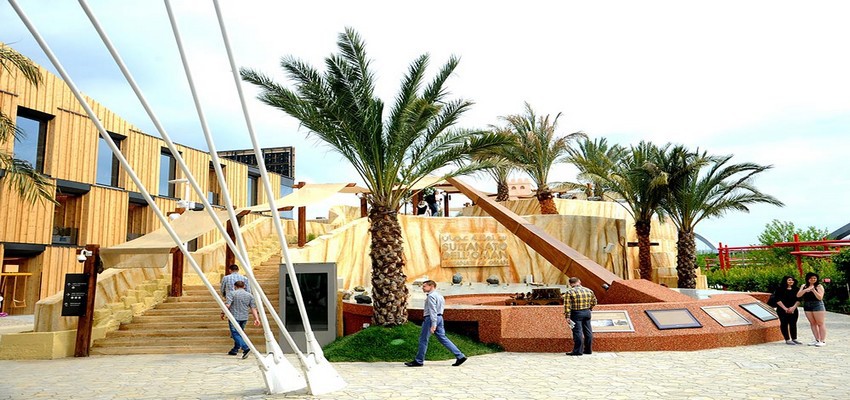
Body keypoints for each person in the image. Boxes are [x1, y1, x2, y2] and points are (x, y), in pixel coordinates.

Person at [405, 280, 467, 367]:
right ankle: (460, 356)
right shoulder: (440, 296)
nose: (422, 288)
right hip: (440, 317)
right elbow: (440, 309)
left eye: (424, 286)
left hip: (431, 318)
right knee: (443, 338)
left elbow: (432, 310)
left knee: (423, 339)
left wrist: (433, 324)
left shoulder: (431, 296)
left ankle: (419, 361)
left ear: (431, 286)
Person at [221, 280, 260, 358]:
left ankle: (246, 348)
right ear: (244, 286)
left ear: (235, 286)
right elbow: (253, 308)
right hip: (244, 317)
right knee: (240, 333)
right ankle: (235, 349)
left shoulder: (232, 293)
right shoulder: (249, 295)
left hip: (234, 316)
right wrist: (256, 318)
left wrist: (223, 313)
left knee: (235, 333)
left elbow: (228, 305)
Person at [563, 277, 597, 356]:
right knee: (588, 331)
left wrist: (567, 316)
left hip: (576, 313)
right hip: (587, 312)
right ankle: (588, 350)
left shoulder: (569, 292)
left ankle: (578, 351)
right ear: (579, 282)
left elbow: (567, 306)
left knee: (578, 332)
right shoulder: (589, 290)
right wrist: (590, 308)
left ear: (570, 284)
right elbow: (594, 301)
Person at [797, 272, 827, 346]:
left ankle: (822, 340)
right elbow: (798, 295)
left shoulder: (819, 286)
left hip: (817, 305)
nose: (813, 279)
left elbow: (820, 297)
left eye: (815, 278)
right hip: (807, 305)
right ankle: (816, 339)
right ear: (808, 279)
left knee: (820, 323)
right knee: (812, 323)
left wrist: (813, 290)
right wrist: (806, 290)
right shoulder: (804, 286)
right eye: (811, 278)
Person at [773, 275, 802, 345]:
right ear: (785, 281)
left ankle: (794, 338)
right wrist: (785, 309)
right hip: (782, 309)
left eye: (792, 280)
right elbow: (777, 300)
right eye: (789, 280)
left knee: (793, 323)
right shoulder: (779, 289)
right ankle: (787, 339)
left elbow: (799, 300)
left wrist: (793, 308)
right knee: (784, 324)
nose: (791, 281)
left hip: (793, 309)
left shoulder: (796, 289)